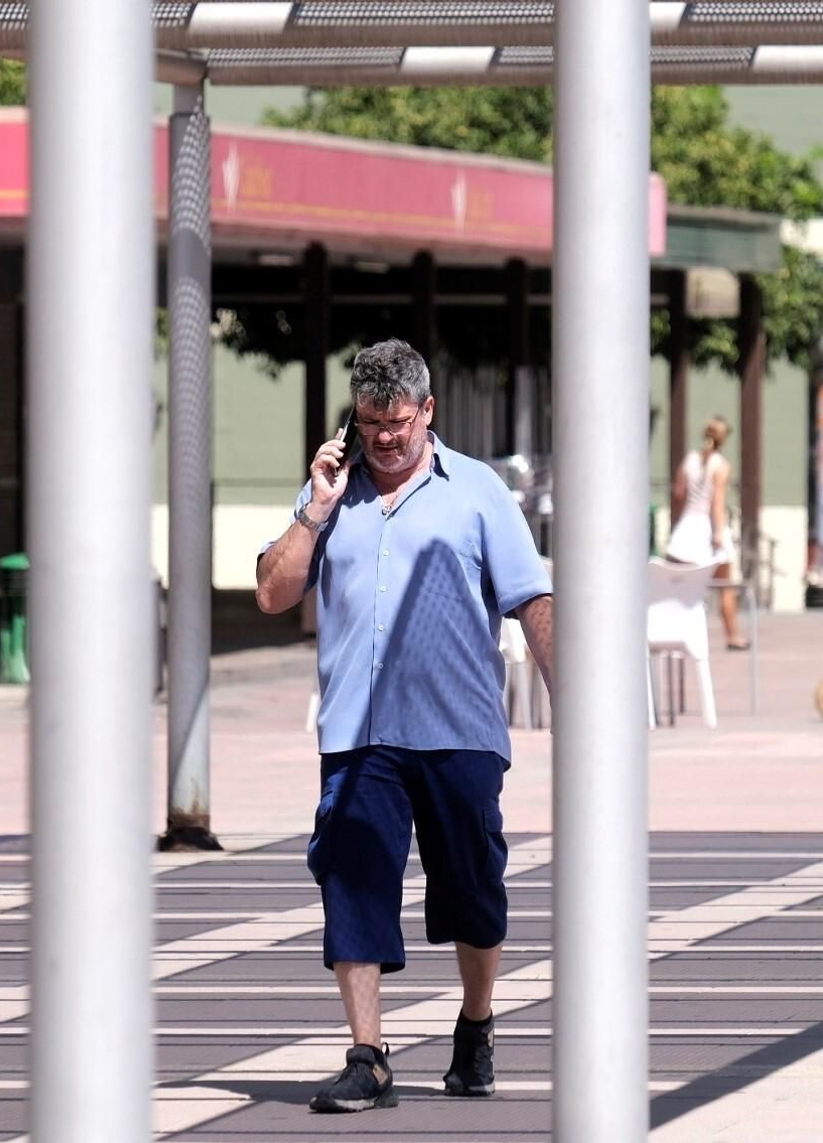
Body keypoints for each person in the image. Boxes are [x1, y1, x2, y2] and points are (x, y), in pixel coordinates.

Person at [255, 338, 554, 1114]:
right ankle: (368, 1055)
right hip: (359, 733)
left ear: (427, 411)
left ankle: (477, 1024)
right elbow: (272, 591)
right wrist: (314, 511)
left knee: (472, 889)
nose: (384, 437)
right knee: (350, 882)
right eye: (369, 422)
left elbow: (532, 599)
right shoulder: (332, 493)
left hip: (458, 729)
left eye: (397, 421)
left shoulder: (480, 491)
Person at [665, 415, 747, 649]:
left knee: (678, 589)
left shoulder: (689, 460)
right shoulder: (721, 465)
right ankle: (732, 636)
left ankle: (672, 633)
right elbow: (716, 502)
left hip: (685, 531)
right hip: (708, 529)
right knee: (725, 587)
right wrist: (719, 533)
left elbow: (679, 493)